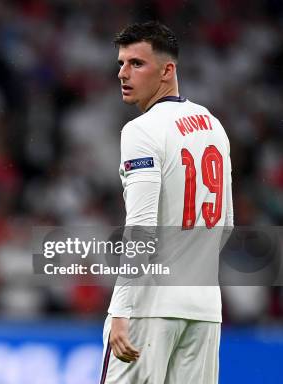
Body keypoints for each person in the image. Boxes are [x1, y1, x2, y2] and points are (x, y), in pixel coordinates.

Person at [100, 22, 233, 383]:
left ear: (167, 70)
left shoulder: (142, 131)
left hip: (150, 308)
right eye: (121, 63)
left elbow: (141, 226)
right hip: (205, 310)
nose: (122, 73)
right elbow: (227, 224)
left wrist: (121, 309)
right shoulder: (213, 125)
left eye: (136, 64)